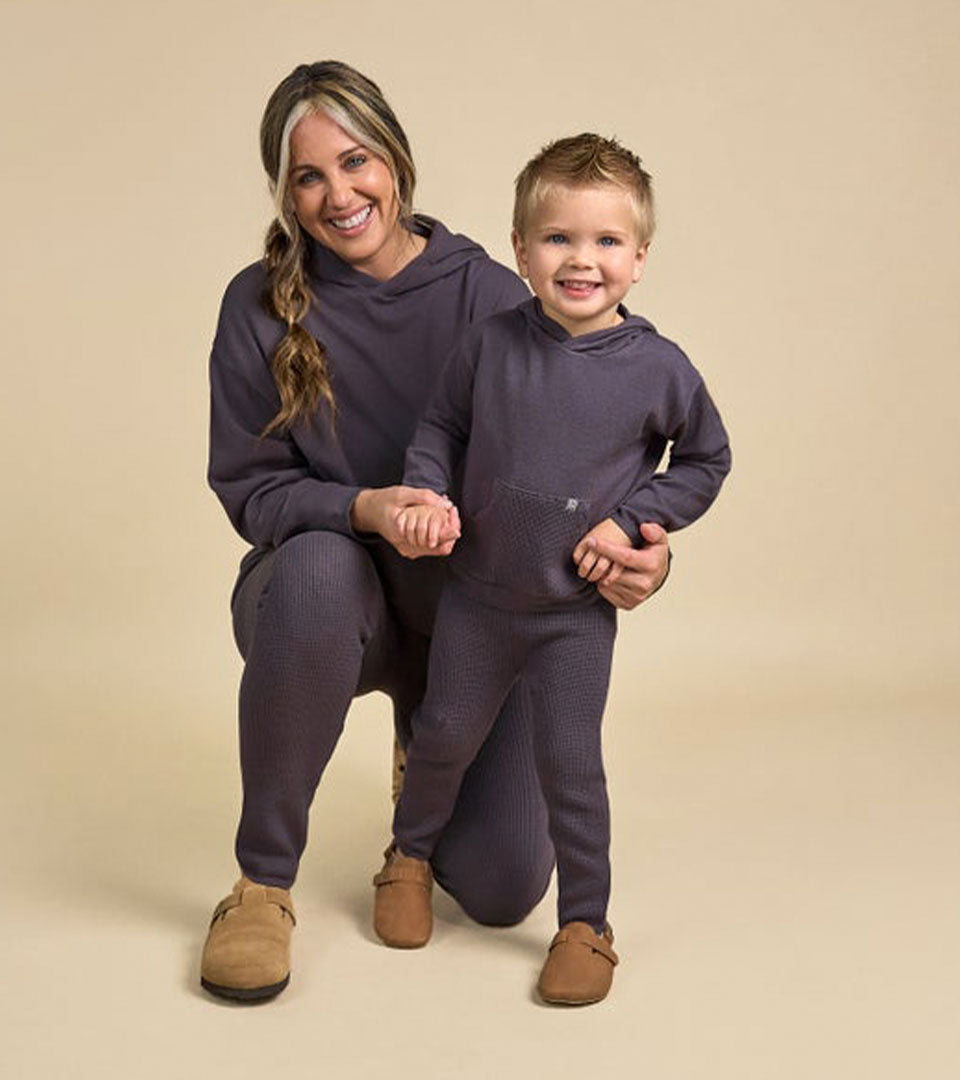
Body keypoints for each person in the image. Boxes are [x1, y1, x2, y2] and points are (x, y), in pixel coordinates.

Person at [200, 62, 672, 1003]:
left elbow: (600, 437)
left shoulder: (493, 294)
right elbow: (251, 487)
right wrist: (364, 508)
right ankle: (262, 883)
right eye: (308, 176)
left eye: (356, 162)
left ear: (396, 160)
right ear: (284, 193)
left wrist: (644, 551)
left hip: (477, 616)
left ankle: (425, 747)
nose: (339, 195)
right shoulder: (258, 304)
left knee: (500, 889)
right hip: (320, 605)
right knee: (321, 570)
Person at [371, 134, 731, 1006]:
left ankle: (585, 925)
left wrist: (636, 519)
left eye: (607, 241)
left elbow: (705, 460)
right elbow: (440, 429)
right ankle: (407, 858)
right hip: (477, 600)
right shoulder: (489, 344)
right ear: (522, 249)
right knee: (443, 735)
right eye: (559, 238)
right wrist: (427, 492)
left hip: (573, 616)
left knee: (573, 768)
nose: (582, 259)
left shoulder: (659, 368)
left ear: (640, 258)